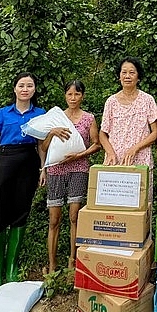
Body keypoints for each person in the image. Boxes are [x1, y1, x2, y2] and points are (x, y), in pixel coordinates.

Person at [0, 72, 45, 292]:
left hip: (28, 163)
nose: (25, 89)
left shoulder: (40, 114)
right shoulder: (1, 114)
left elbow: (41, 146)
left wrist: (42, 168)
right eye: (21, 85)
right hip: (4, 162)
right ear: (15, 89)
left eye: (29, 85)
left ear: (34, 89)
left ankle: (11, 268)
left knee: (21, 211)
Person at [39, 80, 101, 273]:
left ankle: (73, 261)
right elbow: (43, 147)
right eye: (70, 94)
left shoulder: (89, 118)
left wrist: (78, 155)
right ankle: (52, 264)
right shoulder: (56, 117)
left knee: (75, 216)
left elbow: (96, 144)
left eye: (77, 94)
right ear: (65, 96)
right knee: (54, 219)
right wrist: (52, 133)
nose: (73, 98)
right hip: (56, 170)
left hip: (79, 169)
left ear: (82, 96)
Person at [99, 57, 157, 195]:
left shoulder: (147, 100)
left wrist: (135, 149)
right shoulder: (111, 102)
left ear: (138, 77)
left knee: (141, 205)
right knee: (115, 205)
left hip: (141, 160)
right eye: (124, 72)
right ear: (119, 76)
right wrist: (110, 152)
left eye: (132, 72)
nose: (127, 76)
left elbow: (155, 133)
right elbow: (102, 133)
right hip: (115, 162)